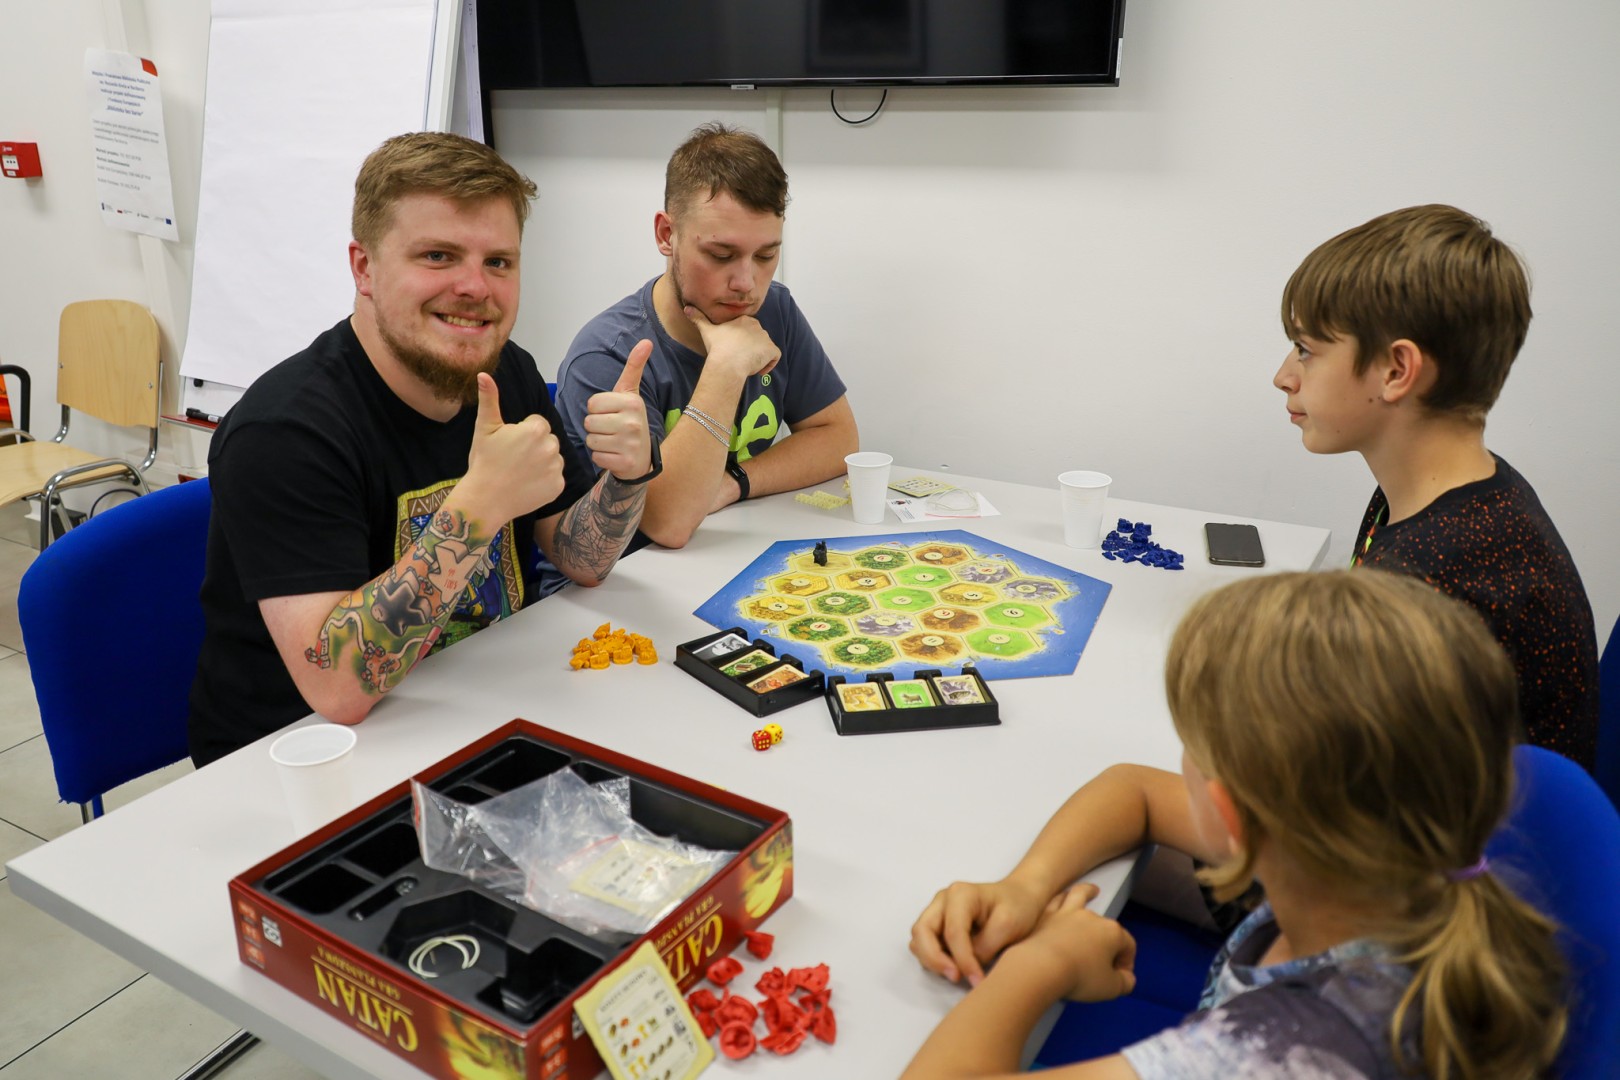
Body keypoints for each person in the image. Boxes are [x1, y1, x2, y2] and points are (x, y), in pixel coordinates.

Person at [905, 570, 1568, 1079]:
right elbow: (1132, 788)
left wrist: (1041, 962)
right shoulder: (1398, 867)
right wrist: (1027, 885)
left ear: (1230, 817)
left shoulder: (1273, 1056)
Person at [188, 133, 657, 767]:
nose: (475, 287)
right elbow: (336, 687)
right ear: (363, 269)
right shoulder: (284, 430)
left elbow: (580, 558)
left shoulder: (505, 374)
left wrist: (627, 477)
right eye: (438, 256)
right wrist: (480, 505)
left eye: (499, 262)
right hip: (303, 762)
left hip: (475, 709)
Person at [1274, 204, 1599, 770]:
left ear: (1397, 371)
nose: (1284, 375)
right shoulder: (1469, 494)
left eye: (1306, 349)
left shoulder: (1429, 583)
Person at [554, 122, 858, 549]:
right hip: (614, 590)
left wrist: (734, 482)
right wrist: (727, 367)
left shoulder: (774, 309)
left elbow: (838, 437)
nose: (746, 283)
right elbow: (668, 522)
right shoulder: (609, 353)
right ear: (666, 235)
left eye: (767, 255)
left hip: (720, 554)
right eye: (721, 255)